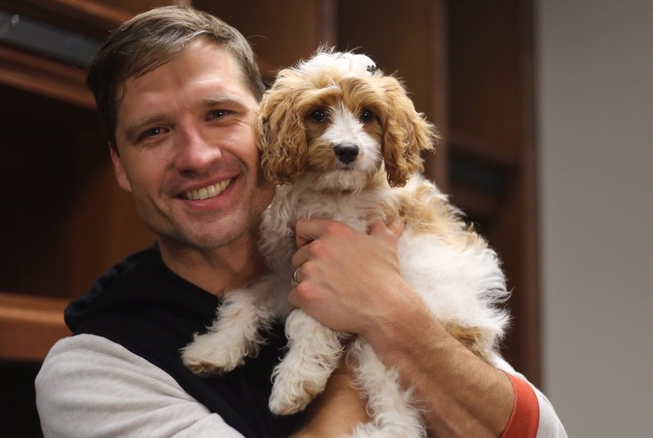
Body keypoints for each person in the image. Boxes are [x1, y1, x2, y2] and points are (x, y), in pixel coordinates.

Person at [35, 5, 567, 437]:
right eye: (153, 132)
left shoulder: (383, 249)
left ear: (266, 123)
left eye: (219, 114)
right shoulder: (96, 368)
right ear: (119, 165)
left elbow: (544, 433)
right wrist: (366, 320)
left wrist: (391, 309)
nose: (196, 156)